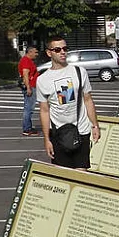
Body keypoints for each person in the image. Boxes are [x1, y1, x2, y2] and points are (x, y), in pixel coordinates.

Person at [37, 36, 101, 169]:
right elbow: (44, 110)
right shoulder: (42, 79)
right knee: (63, 176)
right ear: (49, 53)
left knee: (81, 174)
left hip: (81, 130)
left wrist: (95, 125)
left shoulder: (79, 72)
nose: (62, 52)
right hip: (58, 133)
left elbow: (88, 100)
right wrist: (47, 139)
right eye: (57, 49)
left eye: (65, 49)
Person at [18, 44, 40, 136]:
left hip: (31, 86)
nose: (37, 54)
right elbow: (25, 75)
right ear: (30, 52)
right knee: (29, 108)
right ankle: (27, 129)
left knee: (29, 108)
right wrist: (28, 87)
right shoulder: (26, 61)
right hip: (30, 86)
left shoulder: (28, 60)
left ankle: (28, 127)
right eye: (35, 52)